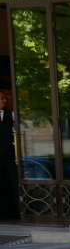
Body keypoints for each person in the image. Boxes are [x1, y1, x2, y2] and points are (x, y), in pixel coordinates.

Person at [0, 90, 18, 221]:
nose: (5, 101)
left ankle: (19, 213)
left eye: (5, 98)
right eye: (2, 98)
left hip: (10, 157)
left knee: (14, 184)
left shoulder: (11, 115)